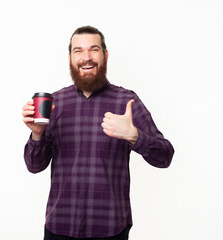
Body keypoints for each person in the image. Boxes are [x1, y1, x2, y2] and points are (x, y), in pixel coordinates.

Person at [22, 26, 174, 240]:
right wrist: (37, 134)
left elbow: (165, 156)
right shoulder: (55, 103)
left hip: (110, 229)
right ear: (69, 58)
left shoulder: (126, 101)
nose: (86, 58)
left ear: (105, 55)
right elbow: (34, 166)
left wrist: (135, 136)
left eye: (94, 50)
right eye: (78, 51)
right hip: (60, 227)